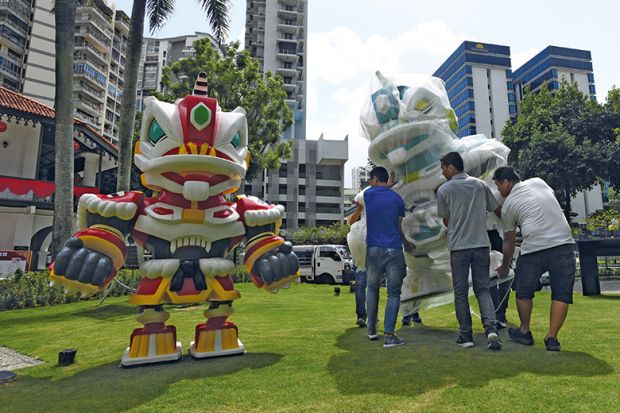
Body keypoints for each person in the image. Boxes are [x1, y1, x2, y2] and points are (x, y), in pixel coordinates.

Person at [493, 167, 576, 352]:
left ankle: (524, 331)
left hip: (535, 248)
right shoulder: (539, 181)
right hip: (563, 242)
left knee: (523, 289)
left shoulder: (508, 205)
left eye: (498, 185)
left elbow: (509, 241)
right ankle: (552, 337)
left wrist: (505, 267)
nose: (498, 190)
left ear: (506, 182)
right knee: (561, 293)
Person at [436, 152, 501, 350]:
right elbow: (494, 208)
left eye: (443, 168)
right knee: (483, 289)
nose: (442, 172)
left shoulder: (444, 190)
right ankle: (491, 329)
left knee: (461, 293)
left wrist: (457, 223)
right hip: (481, 244)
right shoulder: (480, 185)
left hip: (459, 247)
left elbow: (445, 219)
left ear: (452, 168)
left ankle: (466, 336)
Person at [363, 166, 414, 348]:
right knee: (393, 293)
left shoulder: (368, 195)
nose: (370, 183)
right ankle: (390, 335)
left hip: (373, 250)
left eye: (371, 180)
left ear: (375, 179)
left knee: (372, 288)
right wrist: (406, 242)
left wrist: (389, 184)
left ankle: (371, 330)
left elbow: (378, 190)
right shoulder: (397, 199)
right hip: (393, 249)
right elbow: (398, 225)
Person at [488, 228, 510, 329]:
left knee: (505, 276)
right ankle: (498, 314)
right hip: (486, 234)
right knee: (492, 276)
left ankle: (499, 313)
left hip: (500, 233)